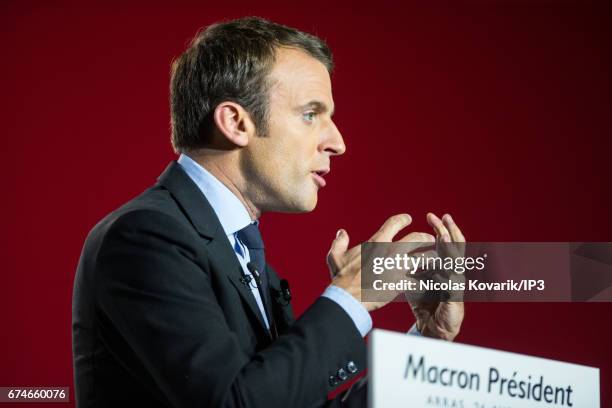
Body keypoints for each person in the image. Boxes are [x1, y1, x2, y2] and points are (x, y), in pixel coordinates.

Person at [72, 16, 465, 407]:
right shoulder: (146, 237)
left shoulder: (241, 254)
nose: (338, 142)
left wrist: (426, 348)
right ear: (236, 123)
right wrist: (352, 297)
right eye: (311, 114)